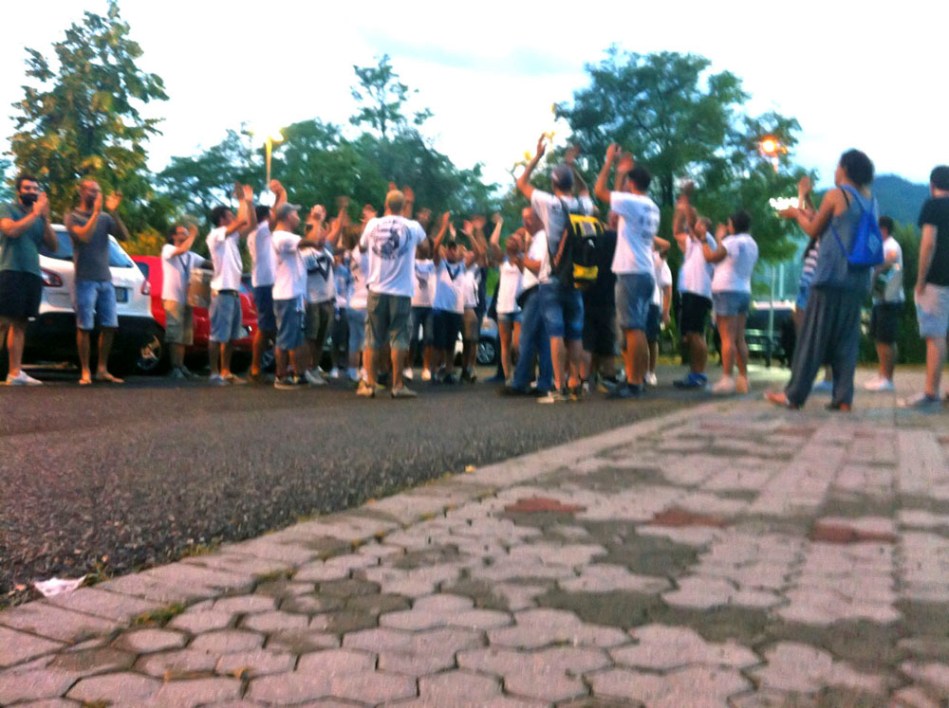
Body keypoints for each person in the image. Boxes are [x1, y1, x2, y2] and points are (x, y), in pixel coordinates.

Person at [767, 149, 877, 411]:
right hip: (857, 278)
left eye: (838, 166)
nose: (835, 170)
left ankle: (794, 395)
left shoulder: (836, 195)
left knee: (812, 338)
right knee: (846, 340)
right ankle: (843, 398)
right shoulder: (869, 199)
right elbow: (831, 225)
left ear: (845, 168)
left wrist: (796, 214)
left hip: (830, 276)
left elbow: (814, 229)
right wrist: (805, 199)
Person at [517, 137, 594, 403]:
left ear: (553, 184)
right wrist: (572, 166)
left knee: (556, 334)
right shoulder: (584, 205)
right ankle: (575, 383)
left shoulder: (549, 203)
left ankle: (559, 387)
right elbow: (585, 189)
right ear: (571, 183)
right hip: (576, 278)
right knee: (575, 334)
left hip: (551, 279)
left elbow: (522, 184)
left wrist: (537, 156)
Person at [594, 144, 661, 399]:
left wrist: (609, 162)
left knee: (632, 328)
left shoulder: (632, 202)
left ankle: (634, 382)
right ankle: (636, 378)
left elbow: (599, 191)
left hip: (631, 271)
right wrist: (622, 173)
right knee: (637, 328)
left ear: (632, 184)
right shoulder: (652, 206)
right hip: (645, 271)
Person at [357, 189, 428, 398]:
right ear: (404, 206)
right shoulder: (413, 226)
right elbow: (426, 248)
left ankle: (370, 384)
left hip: (377, 289)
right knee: (399, 337)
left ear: (385, 205)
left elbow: (362, 247)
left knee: (373, 337)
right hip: (402, 291)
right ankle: (397, 385)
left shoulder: (372, 224)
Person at [65, 178, 132, 385]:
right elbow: (83, 237)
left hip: (105, 279)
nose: (95, 194)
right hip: (84, 279)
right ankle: (85, 370)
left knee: (110, 326)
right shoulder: (72, 216)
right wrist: (95, 213)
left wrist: (114, 213)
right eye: (92, 190)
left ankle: (102, 369)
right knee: (84, 326)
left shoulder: (105, 217)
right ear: (81, 191)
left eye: (98, 191)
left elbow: (125, 236)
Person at [0, 175, 57, 385]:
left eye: (35, 188)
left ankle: (15, 373)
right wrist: (34, 213)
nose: (32, 192)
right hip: (10, 270)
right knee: (3, 322)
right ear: (18, 191)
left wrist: (46, 218)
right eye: (27, 188)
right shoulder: (7, 208)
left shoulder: (39, 218)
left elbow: (53, 246)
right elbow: (11, 230)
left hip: (31, 272)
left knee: (21, 323)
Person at [900, 165, 949, 409]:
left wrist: (920, 280)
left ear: (932, 186)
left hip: (937, 279)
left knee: (935, 335)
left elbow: (928, 243)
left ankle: (931, 394)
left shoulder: (933, 205)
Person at [205, 184, 257, 385]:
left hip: (233, 292)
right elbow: (242, 221)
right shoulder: (216, 235)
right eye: (229, 215)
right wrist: (243, 200)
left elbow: (250, 224)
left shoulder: (231, 237)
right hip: (222, 291)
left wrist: (248, 203)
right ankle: (214, 373)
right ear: (222, 220)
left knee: (231, 337)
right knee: (217, 335)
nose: (233, 217)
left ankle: (225, 371)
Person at [704, 210, 758, 395]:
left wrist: (709, 240)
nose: (727, 227)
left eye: (728, 224)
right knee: (739, 337)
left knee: (727, 338)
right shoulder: (752, 243)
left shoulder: (731, 241)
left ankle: (727, 378)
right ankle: (743, 378)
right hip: (744, 289)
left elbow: (712, 257)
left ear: (733, 225)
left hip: (726, 290)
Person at [502, 207, 554, 396]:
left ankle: (521, 381)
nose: (526, 222)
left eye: (530, 218)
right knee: (542, 340)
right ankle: (544, 382)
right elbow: (529, 269)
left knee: (527, 338)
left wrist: (519, 256)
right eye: (524, 218)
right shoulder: (537, 239)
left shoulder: (542, 239)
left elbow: (539, 266)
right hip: (537, 290)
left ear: (540, 219)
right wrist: (518, 257)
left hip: (537, 290)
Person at [271, 202, 322, 389]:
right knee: (285, 337)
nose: (298, 218)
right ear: (287, 216)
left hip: (294, 294)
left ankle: (297, 374)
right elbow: (314, 241)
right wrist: (316, 220)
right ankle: (281, 376)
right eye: (295, 214)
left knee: (294, 337)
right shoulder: (282, 237)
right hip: (287, 294)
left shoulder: (285, 237)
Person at [673, 193, 716, 390]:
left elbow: (690, 224)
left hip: (700, 291)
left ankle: (699, 374)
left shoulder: (708, 240)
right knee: (690, 334)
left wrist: (687, 204)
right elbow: (677, 231)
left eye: (699, 224)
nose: (693, 227)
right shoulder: (693, 244)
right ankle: (694, 372)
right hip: (690, 292)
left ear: (705, 228)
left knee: (696, 333)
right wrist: (680, 211)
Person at [301, 204, 345, 386]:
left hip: (328, 300)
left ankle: (314, 368)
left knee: (321, 338)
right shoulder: (305, 252)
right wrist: (316, 218)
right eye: (318, 232)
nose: (322, 234)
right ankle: (305, 369)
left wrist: (341, 211)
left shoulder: (326, 250)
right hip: (313, 300)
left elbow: (335, 234)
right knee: (311, 337)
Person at [580, 212, 619, 392]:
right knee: (607, 340)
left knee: (586, 341)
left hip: (586, 292)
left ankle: (584, 379)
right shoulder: (615, 238)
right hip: (608, 295)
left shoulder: (585, 237)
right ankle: (608, 377)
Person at [160, 221, 205, 379]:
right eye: (182, 233)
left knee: (185, 335)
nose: (185, 235)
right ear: (173, 236)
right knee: (175, 334)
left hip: (187, 299)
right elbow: (182, 249)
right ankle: (175, 367)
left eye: (187, 233)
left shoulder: (191, 256)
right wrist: (193, 235)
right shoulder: (168, 249)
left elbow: (206, 263)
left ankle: (180, 365)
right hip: (173, 298)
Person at [865, 215, 904, 392]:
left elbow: (892, 257)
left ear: (884, 229)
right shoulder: (883, 245)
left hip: (890, 299)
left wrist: (876, 268)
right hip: (881, 299)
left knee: (886, 339)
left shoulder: (891, 245)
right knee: (880, 339)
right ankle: (883, 375)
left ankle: (887, 378)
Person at [246, 189, 279, 383]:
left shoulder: (262, 234)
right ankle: (255, 367)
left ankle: (272, 366)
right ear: (266, 218)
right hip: (265, 283)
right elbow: (277, 215)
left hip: (267, 283)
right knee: (265, 327)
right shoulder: (260, 231)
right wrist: (280, 194)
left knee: (271, 328)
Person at [408, 236, 436, 382]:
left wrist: (444, 228)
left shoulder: (432, 263)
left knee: (429, 338)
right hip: (413, 305)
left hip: (429, 306)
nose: (423, 248)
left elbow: (436, 246)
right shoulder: (410, 262)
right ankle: (409, 367)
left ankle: (426, 368)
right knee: (412, 338)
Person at [647, 246, 673, 387]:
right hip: (635, 302)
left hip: (653, 303)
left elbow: (667, 288)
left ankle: (651, 372)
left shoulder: (658, 260)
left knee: (651, 339)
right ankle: (635, 371)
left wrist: (666, 311)